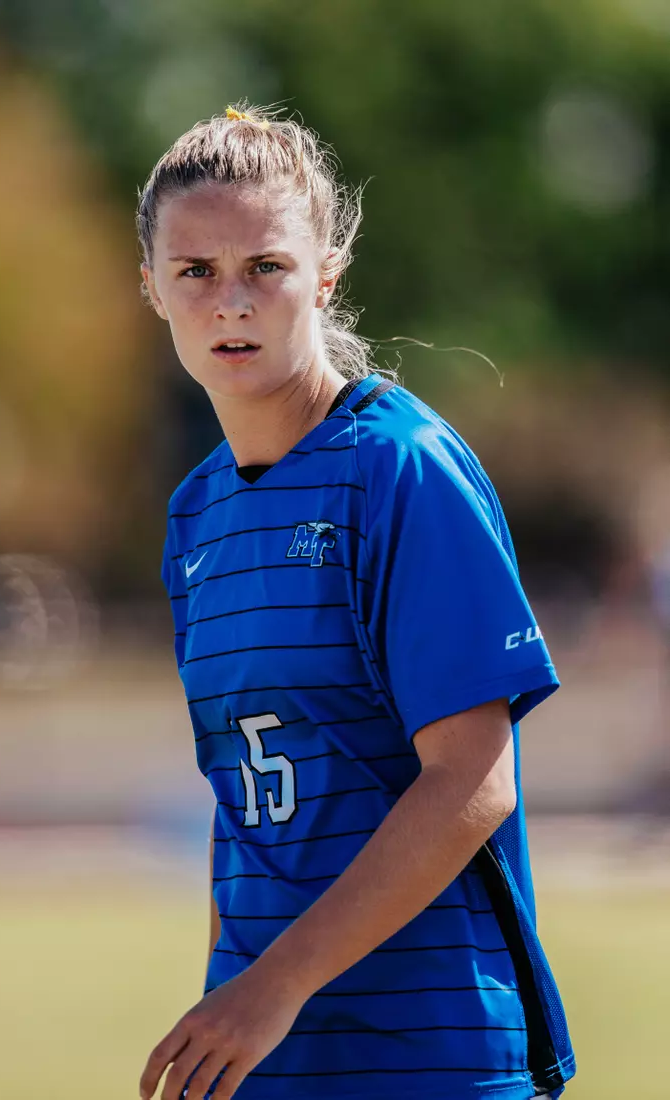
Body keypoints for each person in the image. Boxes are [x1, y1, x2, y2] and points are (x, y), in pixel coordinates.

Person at [137, 103, 576, 1100]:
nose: (230, 303)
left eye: (266, 266)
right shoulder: (195, 510)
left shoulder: (399, 466)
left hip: (431, 1050)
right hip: (259, 1052)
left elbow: (472, 778)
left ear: (325, 273)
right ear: (151, 288)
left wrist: (273, 984)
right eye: (195, 272)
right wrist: (232, 994)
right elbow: (240, 799)